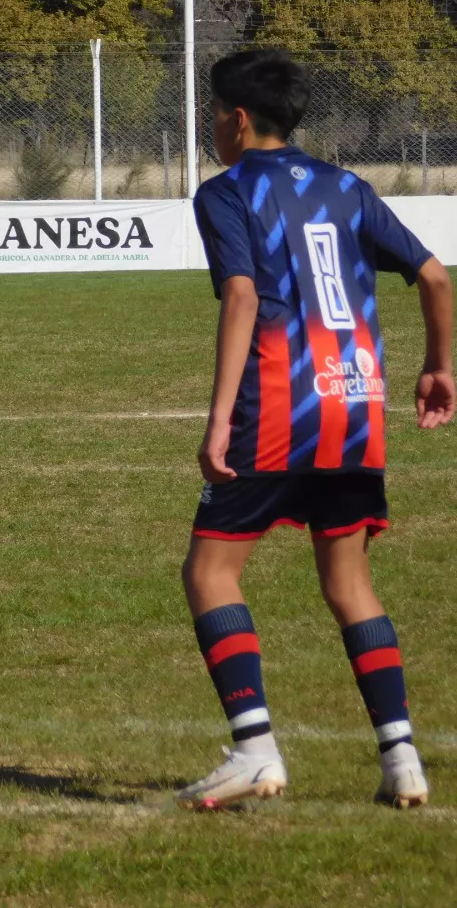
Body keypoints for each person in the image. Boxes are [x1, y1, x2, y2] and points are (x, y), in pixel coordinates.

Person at [177, 50, 454, 811]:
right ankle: (402, 761)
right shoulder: (348, 187)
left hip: (275, 411)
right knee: (349, 583)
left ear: (236, 119)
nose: (212, 128)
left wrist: (216, 422)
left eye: (214, 114)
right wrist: (439, 367)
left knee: (210, 575)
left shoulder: (226, 192)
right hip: (355, 407)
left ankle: (255, 752)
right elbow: (435, 275)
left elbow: (240, 295)